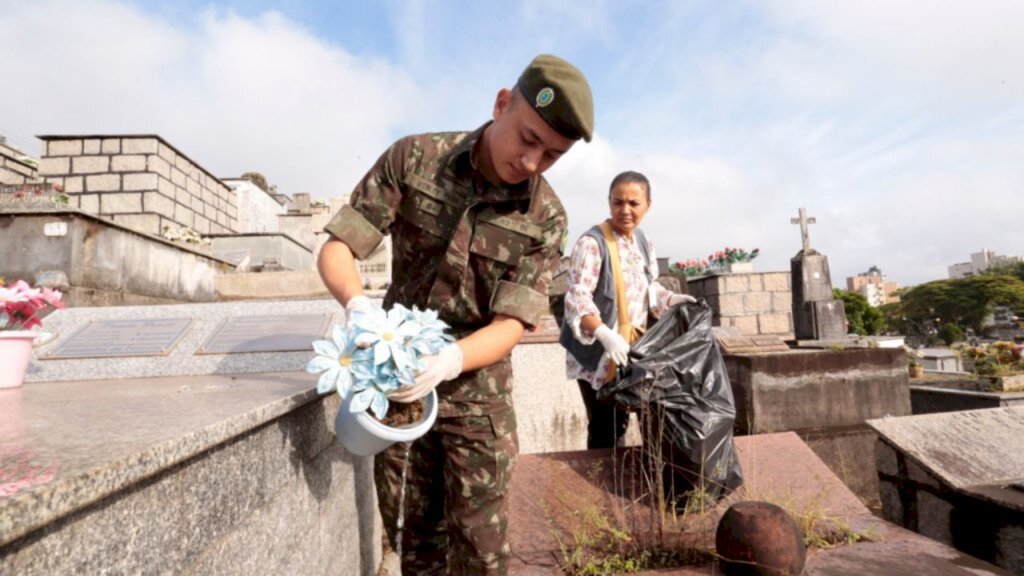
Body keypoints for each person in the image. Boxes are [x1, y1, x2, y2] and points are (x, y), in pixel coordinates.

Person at [318, 54, 593, 575]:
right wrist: (357, 307)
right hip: (396, 382)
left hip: (477, 396)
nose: (532, 163)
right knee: (416, 538)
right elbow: (338, 248)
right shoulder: (416, 159)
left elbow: (511, 323)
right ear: (501, 104)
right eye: (528, 139)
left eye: (552, 155)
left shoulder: (545, 216)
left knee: (481, 547)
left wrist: (447, 362)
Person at [559, 171, 695, 449]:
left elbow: (648, 290)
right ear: (609, 203)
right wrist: (605, 334)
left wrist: (672, 299)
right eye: (618, 202)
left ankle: (636, 482)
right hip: (600, 352)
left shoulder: (643, 243)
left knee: (645, 419)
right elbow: (577, 297)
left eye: (633, 203)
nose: (625, 210)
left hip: (633, 347)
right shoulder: (592, 243)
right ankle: (600, 485)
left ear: (648, 205)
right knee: (606, 426)